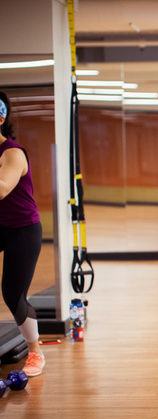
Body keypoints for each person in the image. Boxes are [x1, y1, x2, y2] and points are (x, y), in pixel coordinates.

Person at [0, 91, 45, 375]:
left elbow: (3, 188)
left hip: (23, 230)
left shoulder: (13, 153)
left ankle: (35, 351)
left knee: (13, 294)